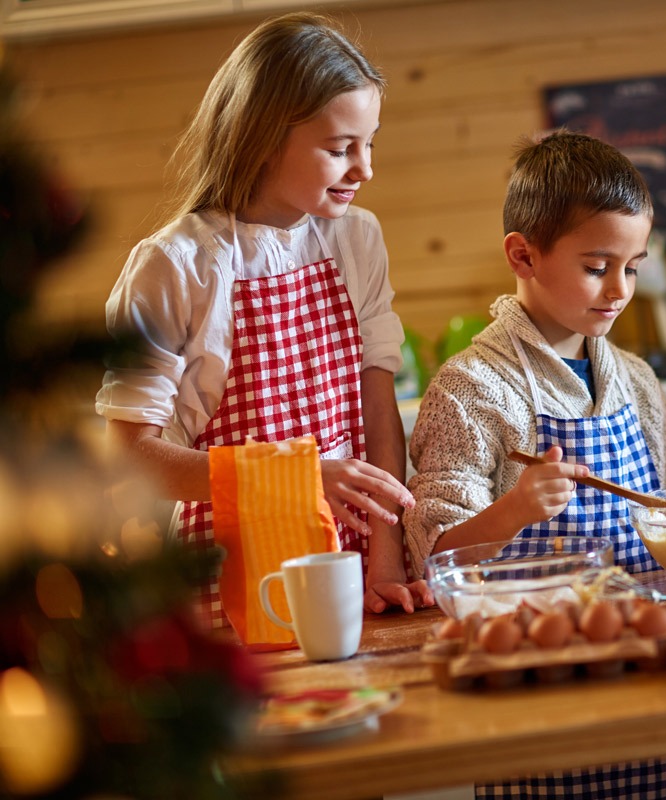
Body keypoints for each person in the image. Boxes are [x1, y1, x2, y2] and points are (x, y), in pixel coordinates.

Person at [95, 12, 433, 629]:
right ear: (262, 138)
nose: (365, 169)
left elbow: (375, 402)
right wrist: (297, 478)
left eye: (369, 143)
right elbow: (132, 457)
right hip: (229, 578)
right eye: (339, 149)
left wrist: (387, 560)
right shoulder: (175, 265)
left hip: (356, 566)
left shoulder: (356, 239)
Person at [404, 130, 666, 797]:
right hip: (534, 683)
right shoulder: (473, 388)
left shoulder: (636, 379)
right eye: (598, 266)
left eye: (634, 266)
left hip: (642, 671)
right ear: (523, 254)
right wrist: (515, 510)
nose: (620, 289)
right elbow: (433, 556)